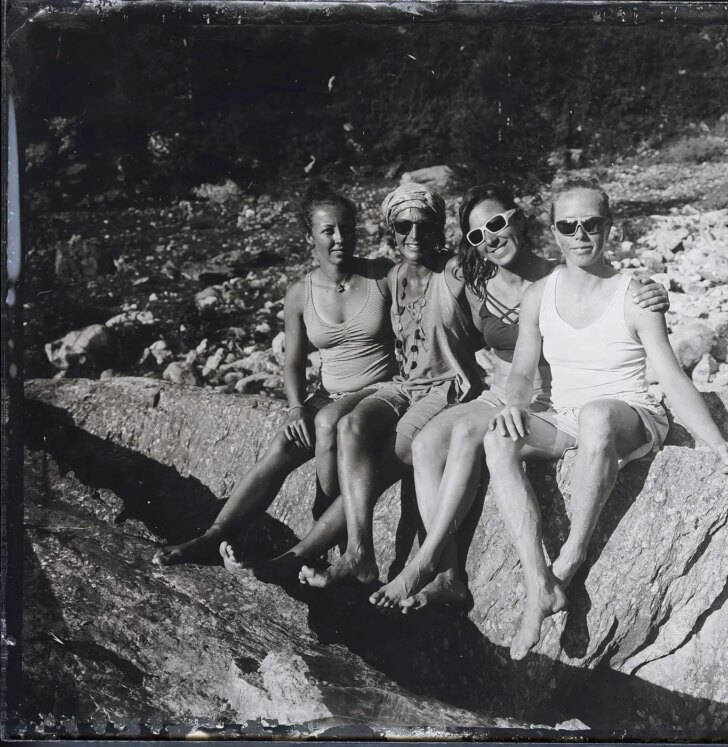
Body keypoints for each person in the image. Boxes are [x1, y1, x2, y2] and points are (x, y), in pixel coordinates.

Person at [482, 181, 728, 660]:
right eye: (569, 225)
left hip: (628, 413)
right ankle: (538, 584)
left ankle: (570, 557)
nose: (581, 235)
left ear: (608, 228)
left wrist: (718, 442)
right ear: (553, 231)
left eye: (592, 224)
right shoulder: (537, 296)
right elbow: (523, 371)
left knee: (596, 416)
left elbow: (669, 375)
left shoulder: (635, 295)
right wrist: (513, 406)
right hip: (564, 416)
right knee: (497, 440)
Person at [368, 184, 671, 611]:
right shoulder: (474, 281)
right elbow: (428, 295)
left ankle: (425, 561)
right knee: (425, 444)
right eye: (476, 235)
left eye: (496, 224)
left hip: (550, 398)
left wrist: (655, 292)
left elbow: (607, 287)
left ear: (519, 220)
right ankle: (448, 572)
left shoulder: (560, 270)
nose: (489, 238)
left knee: (471, 436)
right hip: (502, 392)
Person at [221, 182, 485, 586]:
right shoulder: (393, 277)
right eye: (402, 225)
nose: (414, 235)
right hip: (405, 386)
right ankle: (346, 550)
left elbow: (498, 310)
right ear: (391, 231)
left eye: (424, 225)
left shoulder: (451, 270)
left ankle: (313, 556)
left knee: (375, 470)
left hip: (447, 391)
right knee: (347, 425)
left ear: (439, 228)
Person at [152, 181, 396, 567]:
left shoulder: (382, 275)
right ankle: (212, 536)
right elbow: (293, 362)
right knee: (283, 446)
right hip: (329, 395)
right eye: (328, 230)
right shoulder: (300, 293)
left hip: (379, 392)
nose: (339, 238)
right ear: (309, 236)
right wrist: (297, 407)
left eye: (346, 228)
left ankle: (316, 545)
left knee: (329, 429)